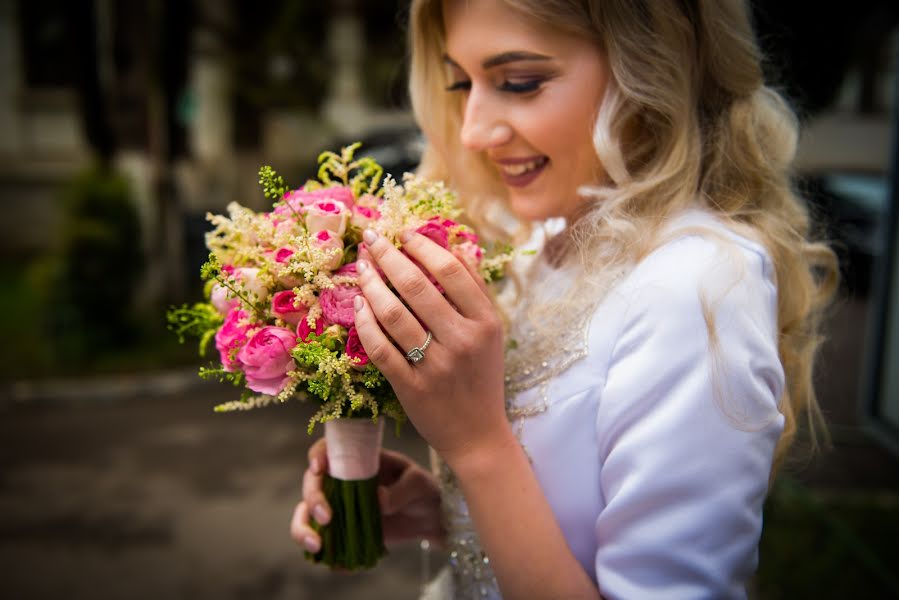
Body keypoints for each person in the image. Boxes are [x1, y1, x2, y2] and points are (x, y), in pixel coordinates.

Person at [290, 0, 838, 598]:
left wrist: (475, 447)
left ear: (652, 68)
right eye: (461, 82)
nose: (472, 130)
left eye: (519, 82)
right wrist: (449, 513)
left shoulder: (697, 286)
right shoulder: (548, 240)